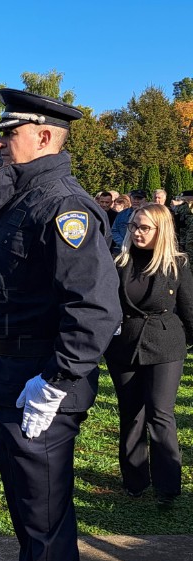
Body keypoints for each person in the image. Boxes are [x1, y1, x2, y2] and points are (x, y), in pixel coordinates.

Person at [0, 89, 121, 561]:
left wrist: (55, 382)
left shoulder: (63, 206)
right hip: (11, 375)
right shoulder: (24, 197)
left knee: (45, 517)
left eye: (9, 133)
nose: (0, 141)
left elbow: (96, 309)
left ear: (41, 136)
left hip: (40, 384)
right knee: (28, 511)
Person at [105, 204, 193, 509]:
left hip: (165, 344)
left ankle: (167, 486)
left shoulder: (176, 265)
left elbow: (189, 308)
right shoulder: (119, 261)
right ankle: (135, 480)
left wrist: (187, 341)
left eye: (144, 227)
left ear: (161, 230)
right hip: (124, 346)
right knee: (131, 413)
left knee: (160, 413)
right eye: (134, 227)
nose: (137, 232)